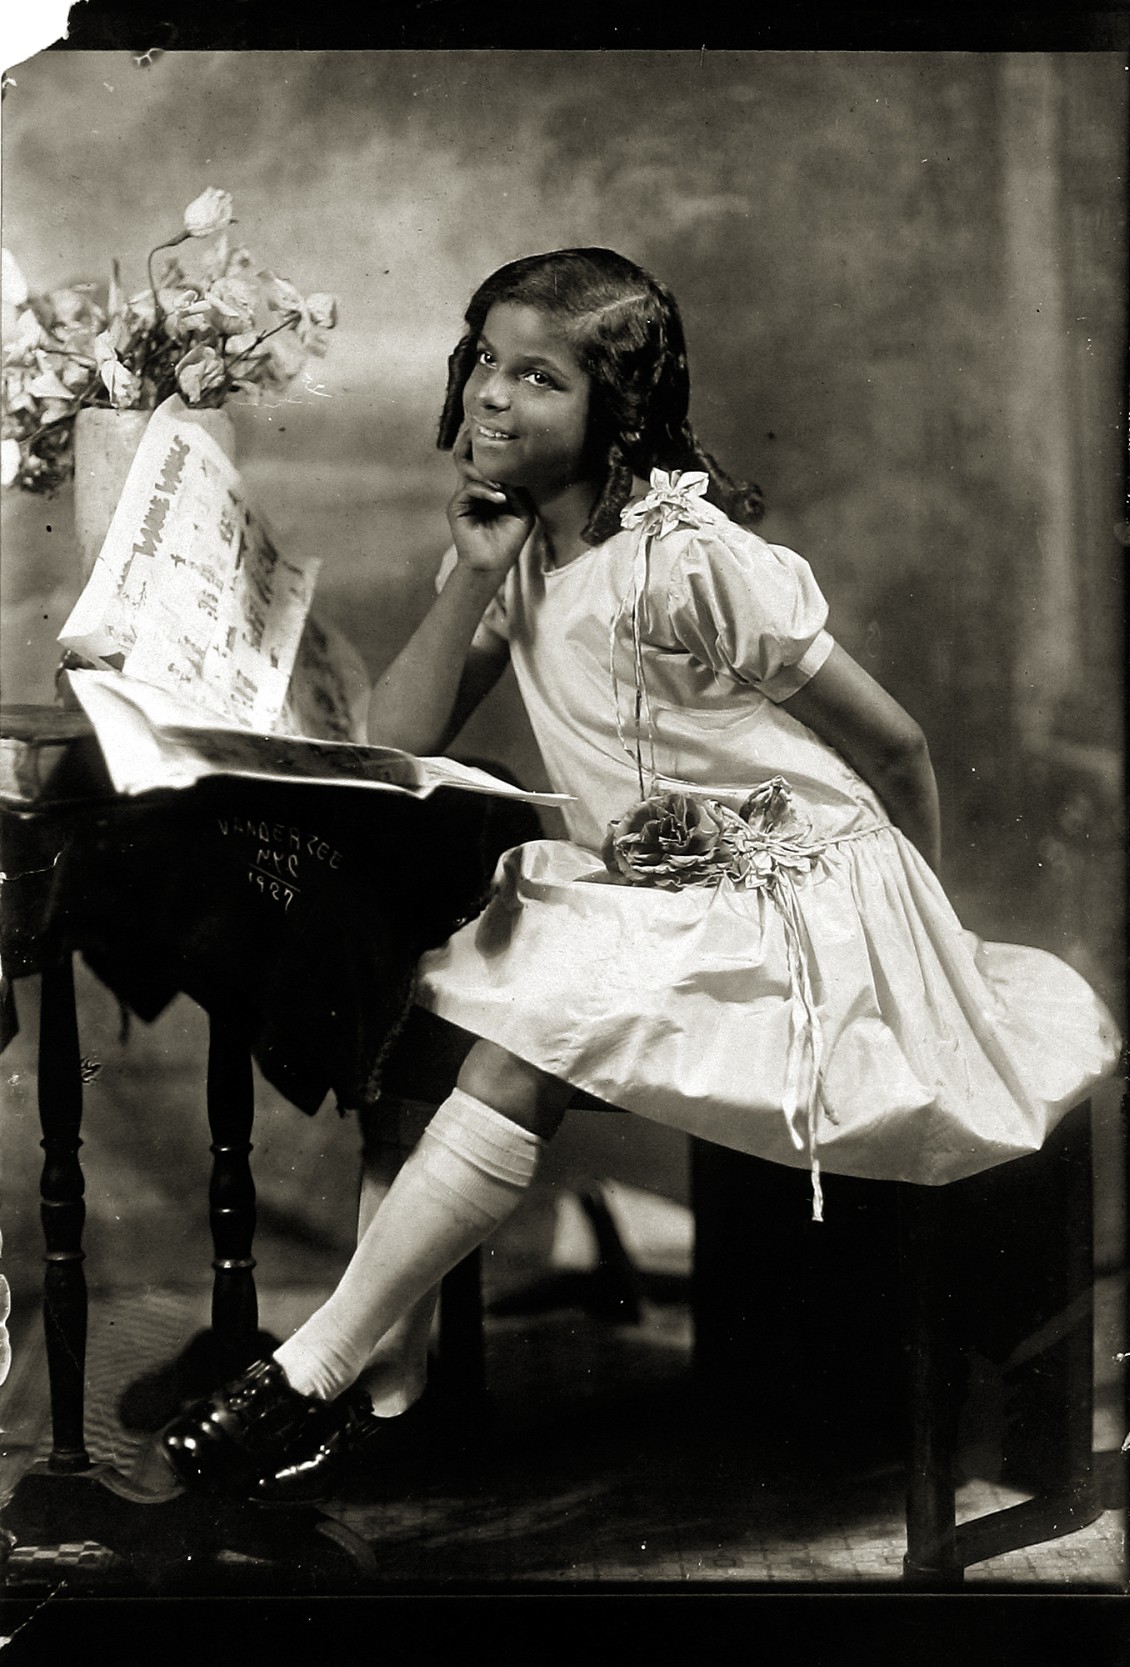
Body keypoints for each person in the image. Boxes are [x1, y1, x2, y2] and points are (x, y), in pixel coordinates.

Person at [162, 248, 1121, 1505]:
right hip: (660, 894)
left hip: (804, 891)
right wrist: (470, 575)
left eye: (539, 378)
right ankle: (377, 1402)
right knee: (416, 1028)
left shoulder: (685, 555)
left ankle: (306, 1376)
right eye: (485, 366)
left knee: (527, 1044)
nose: (493, 400)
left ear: (613, 412)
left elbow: (894, 746)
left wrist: (914, 940)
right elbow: (392, 749)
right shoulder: (528, 561)